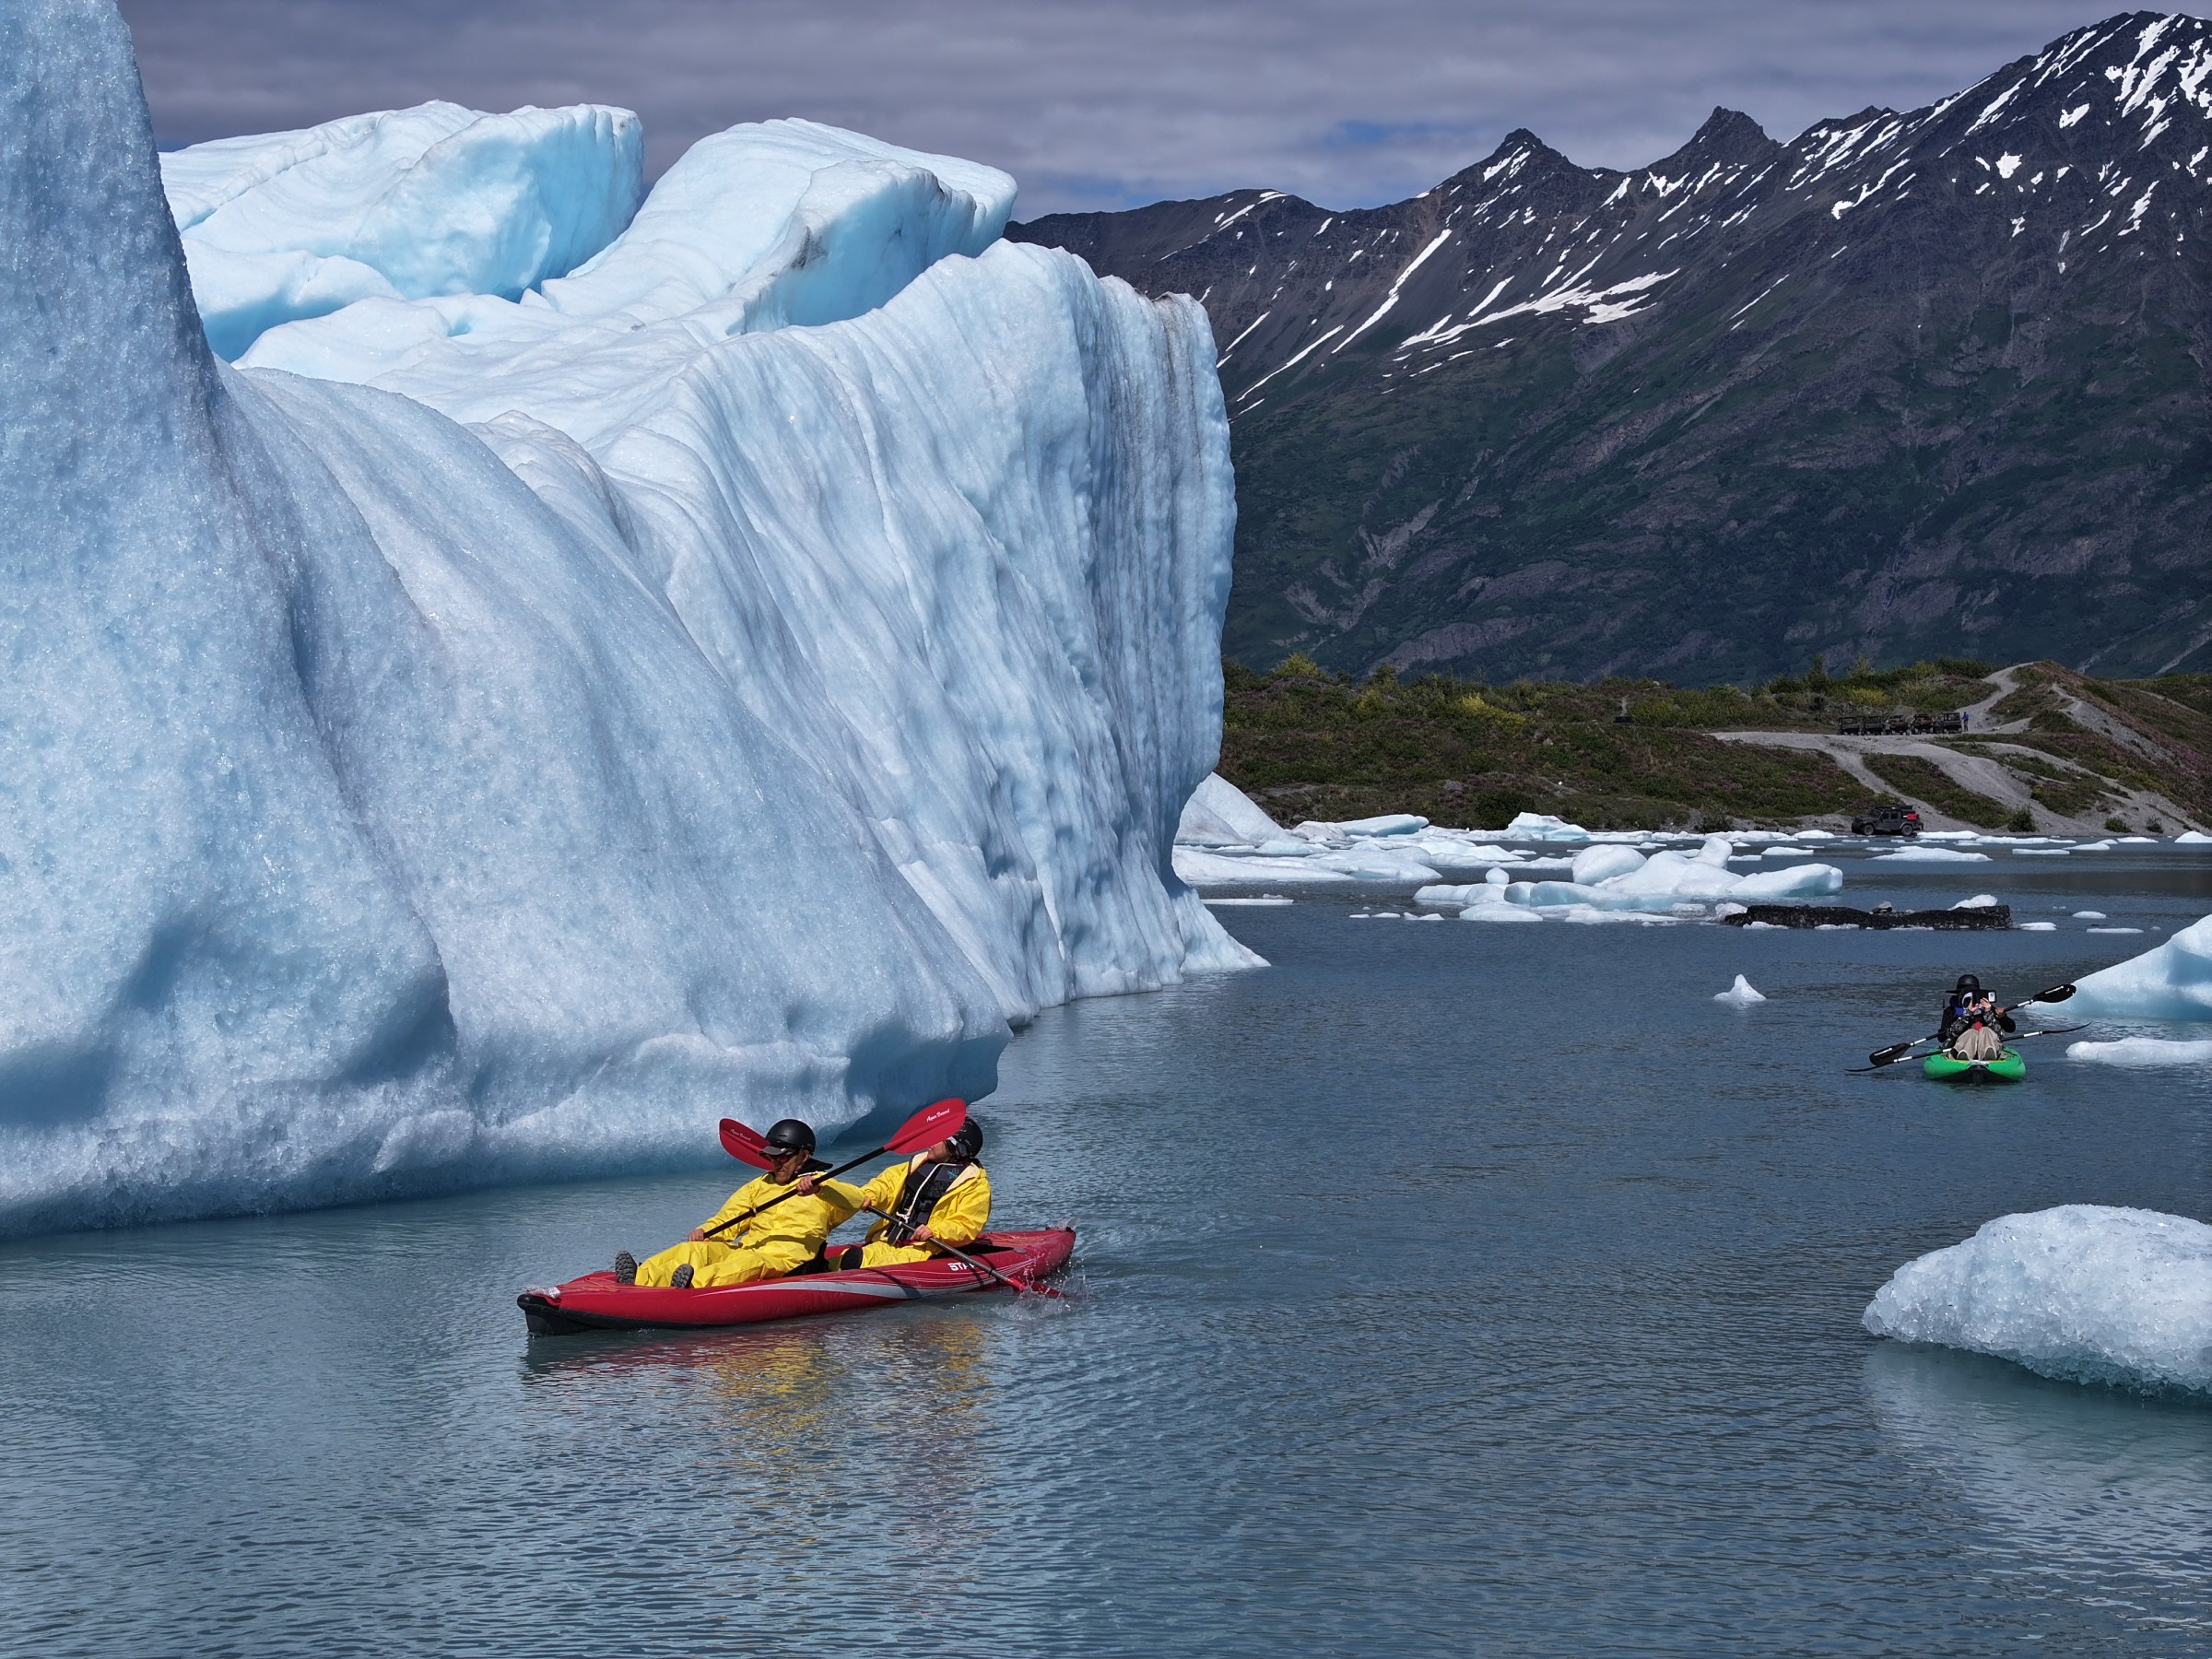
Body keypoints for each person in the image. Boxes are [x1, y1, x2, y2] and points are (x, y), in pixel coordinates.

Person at [615, 1119, 858, 1289]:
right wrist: (706, 1231)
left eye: (783, 1157)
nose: (776, 1164)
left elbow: (858, 1200)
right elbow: (729, 1218)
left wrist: (820, 1188)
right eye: (772, 1157)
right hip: (750, 1249)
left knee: (743, 1265)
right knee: (695, 1250)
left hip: (786, 1263)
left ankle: (691, 1285)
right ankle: (641, 1277)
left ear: (804, 1156)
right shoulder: (759, 1186)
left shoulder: (824, 1187)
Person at [814, 1120, 991, 1271]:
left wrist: (936, 1231)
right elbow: (886, 1184)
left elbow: (967, 1224)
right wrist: (869, 1195)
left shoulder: (974, 1184)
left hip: (925, 1249)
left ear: (955, 1148)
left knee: (883, 1265)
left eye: (939, 1137)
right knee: (851, 1259)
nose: (931, 1139)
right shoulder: (917, 1165)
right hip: (890, 1240)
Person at [1937, 974, 2015, 1061]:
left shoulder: (1987, 1008)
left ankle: (1988, 1053)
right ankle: (1964, 1054)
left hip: (1987, 1043)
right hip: (1961, 1043)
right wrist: (1967, 1015)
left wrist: (2000, 1016)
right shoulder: (1951, 1011)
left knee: (1985, 1030)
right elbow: (1941, 1037)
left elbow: (2010, 1028)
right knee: (1971, 1032)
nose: (1971, 1000)